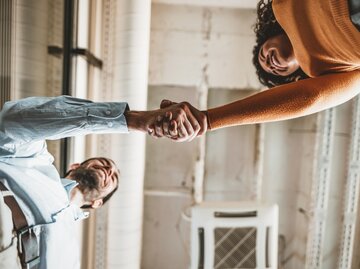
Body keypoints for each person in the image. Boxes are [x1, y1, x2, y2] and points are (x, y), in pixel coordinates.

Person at [0, 95, 200, 269]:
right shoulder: (34, 162)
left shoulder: (71, 259)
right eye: (104, 164)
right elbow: (11, 122)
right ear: (75, 165)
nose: (109, 169)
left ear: (98, 203)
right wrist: (133, 120)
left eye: (112, 177)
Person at [149, 0, 360, 141]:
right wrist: (208, 120)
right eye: (275, 72)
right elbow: (311, 97)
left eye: (262, 55)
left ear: (267, 36)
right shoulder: (323, 71)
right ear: (294, 76)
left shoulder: (283, 5)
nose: (269, 63)